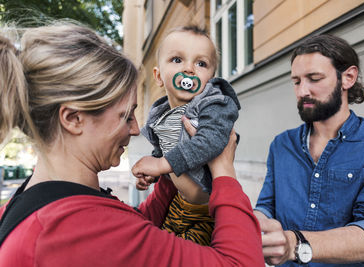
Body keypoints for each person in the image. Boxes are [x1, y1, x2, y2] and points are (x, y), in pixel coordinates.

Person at [0, 22, 264, 266]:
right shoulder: (72, 229)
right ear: (73, 118)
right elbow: (241, 263)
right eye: (126, 116)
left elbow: (135, 228)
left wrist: (170, 174)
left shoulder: (34, 206)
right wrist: (223, 171)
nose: (137, 129)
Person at [254, 34, 364, 266]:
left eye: (314, 78)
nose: (302, 91)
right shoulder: (282, 144)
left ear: (348, 77)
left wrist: (295, 244)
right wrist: (253, 225)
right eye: (296, 81)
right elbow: (267, 206)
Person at [131, 25, 240, 245]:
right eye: (177, 60)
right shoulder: (160, 113)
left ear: (210, 78)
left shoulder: (214, 105)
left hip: (206, 213)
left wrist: (162, 164)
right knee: (158, 252)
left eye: (201, 63)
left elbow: (211, 141)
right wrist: (155, 174)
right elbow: (163, 149)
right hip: (177, 205)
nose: (189, 69)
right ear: (158, 76)